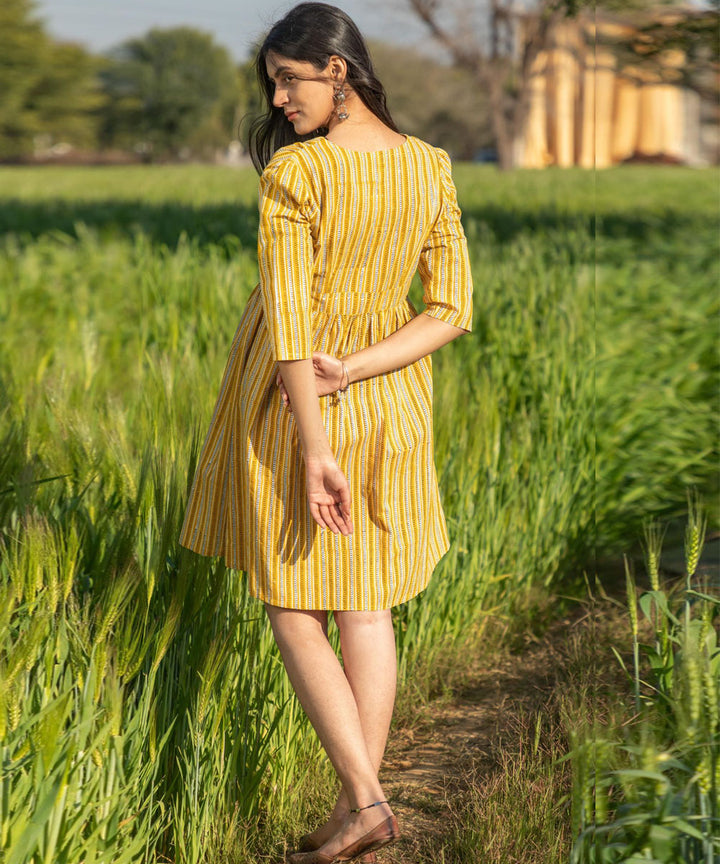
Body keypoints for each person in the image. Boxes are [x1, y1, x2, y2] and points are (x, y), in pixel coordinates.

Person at [178, 3, 473, 861]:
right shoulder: (431, 165)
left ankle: (368, 801)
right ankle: (360, 809)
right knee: (367, 606)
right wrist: (368, 366)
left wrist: (315, 448)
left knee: (293, 605)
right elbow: (450, 311)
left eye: (288, 78)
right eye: (272, 81)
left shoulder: (296, 177)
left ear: (337, 71)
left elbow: (293, 327)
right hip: (395, 403)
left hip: (301, 408)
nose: (276, 99)